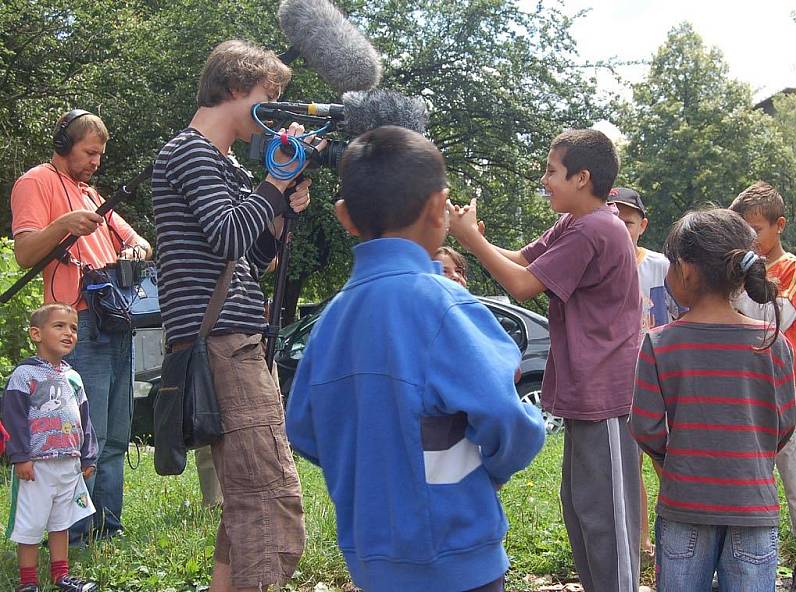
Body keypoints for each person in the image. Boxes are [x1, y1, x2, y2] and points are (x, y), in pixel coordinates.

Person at [286, 125, 546, 592]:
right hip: (461, 557)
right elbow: (508, 420)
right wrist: (502, 462)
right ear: (437, 209)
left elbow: (303, 429)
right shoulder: (448, 308)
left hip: (371, 562)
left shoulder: (331, 322)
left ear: (345, 217)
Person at [152, 39, 317, 592]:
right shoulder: (191, 152)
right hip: (224, 341)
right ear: (233, 89)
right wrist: (273, 186)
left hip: (233, 336)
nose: (272, 118)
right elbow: (227, 234)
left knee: (246, 499)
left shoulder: (219, 162)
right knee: (270, 500)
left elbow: (250, 259)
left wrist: (278, 215)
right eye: (268, 100)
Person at [448, 129, 642, 592]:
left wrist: (471, 240)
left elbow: (522, 286)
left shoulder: (596, 227)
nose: (544, 180)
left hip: (607, 397)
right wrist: (476, 237)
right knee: (583, 512)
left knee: (608, 522)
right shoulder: (576, 222)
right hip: (585, 393)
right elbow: (521, 262)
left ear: (582, 178)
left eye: (552, 172)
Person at [630, 208, 796, 592]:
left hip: (684, 507)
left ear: (686, 269)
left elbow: (645, 427)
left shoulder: (660, 343)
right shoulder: (773, 343)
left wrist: (674, 459)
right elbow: (784, 424)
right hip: (753, 507)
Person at [10, 110, 152, 545]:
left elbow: (141, 242)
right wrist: (62, 225)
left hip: (116, 318)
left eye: (100, 154)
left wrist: (135, 252)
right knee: (80, 437)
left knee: (113, 433)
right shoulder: (36, 181)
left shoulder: (92, 194)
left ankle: (107, 528)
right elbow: (24, 252)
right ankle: (71, 535)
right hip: (76, 320)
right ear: (63, 143)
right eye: (90, 152)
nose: (96, 162)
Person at [729, 181, 796, 591]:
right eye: (740, 229)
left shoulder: (791, 267)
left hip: (789, 393)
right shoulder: (736, 267)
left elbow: (773, 318)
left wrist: (736, 286)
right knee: (749, 487)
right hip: (747, 393)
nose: (747, 238)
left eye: (754, 229)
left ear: (779, 225)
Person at [3, 303, 99, 592]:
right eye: (59, 326)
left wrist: (88, 455)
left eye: (72, 328)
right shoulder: (24, 375)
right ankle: (28, 582)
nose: (69, 333)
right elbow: (12, 418)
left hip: (68, 463)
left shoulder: (74, 377)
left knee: (61, 522)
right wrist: (20, 456)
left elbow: (84, 419)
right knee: (31, 525)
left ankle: (61, 576)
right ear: (36, 333)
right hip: (36, 465)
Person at [608, 187, 676, 563]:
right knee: (628, 466)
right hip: (623, 383)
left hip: (663, 378)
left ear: (642, 225)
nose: (620, 227)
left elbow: (680, 314)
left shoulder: (662, 267)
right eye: (613, 219)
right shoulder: (599, 266)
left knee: (668, 459)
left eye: (628, 221)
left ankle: (679, 531)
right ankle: (641, 543)